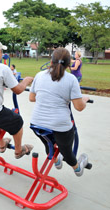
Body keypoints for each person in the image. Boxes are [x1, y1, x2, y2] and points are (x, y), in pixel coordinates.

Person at [29, 47, 90, 177]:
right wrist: (84, 99)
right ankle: (77, 168)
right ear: (69, 65)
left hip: (36, 123)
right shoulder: (71, 79)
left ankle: (56, 161)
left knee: (47, 142)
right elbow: (79, 107)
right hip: (60, 125)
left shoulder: (39, 75)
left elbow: (32, 98)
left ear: (51, 61)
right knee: (67, 149)